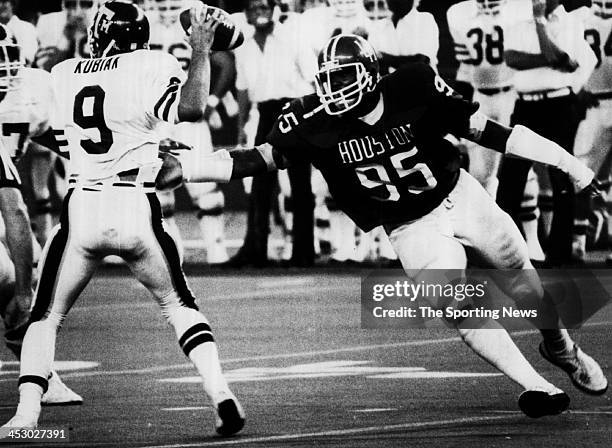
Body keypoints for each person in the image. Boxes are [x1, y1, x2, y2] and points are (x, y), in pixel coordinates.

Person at [157, 33, 608, 416]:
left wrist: (571, 165)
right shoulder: (312, 121)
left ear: (371, 74)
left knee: (523, 281)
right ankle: (535, 385)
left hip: (460, 194)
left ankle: (562, 348)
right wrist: (190, 168)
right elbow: (259, 158)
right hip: (409, 225)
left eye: (344, 78)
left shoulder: (412, 85)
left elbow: (495, 134)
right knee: (454, 303)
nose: (334, 91)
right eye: (327, 81)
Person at [2, 1, 244, 434]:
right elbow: (190, 108)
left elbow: (60, 137)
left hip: (83, 209)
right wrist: (202, 49)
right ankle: (220, 390)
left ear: (103, 33)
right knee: (179, 305)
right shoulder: (153, 63)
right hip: (136, 205)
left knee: (45, 317)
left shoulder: (64, 73)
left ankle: (26, 416)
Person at [0, 23, 82, 406]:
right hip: (5, 199)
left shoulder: (32, 88)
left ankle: (41, 377)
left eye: (6, 57)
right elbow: (14, 211)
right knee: (11, 281)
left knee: (12, 279)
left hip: (4, 196)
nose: (3, 68)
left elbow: (63, 137)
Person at [497, 0, 596, 266]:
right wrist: (551, 58)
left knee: (561, 178)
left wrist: (541, 24)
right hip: (526, 104)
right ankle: (505, 252)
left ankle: (560, 254)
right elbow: (512, 59)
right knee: (510, 178)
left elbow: (570, 61)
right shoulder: (518, 19)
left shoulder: (570, 23)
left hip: (557, 104)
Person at [228, 0, 315, 267]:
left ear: (273, 8)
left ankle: (303, 253)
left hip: (294, 111)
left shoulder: (292, 36)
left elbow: (313, 78)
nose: (260, 12)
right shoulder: (243, 46)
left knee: (300, 186)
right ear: (246, 14)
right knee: (259, 184)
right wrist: (242, 127)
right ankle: (256, 250)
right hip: (264, 113)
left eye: (264, 6)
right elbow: (242, 89)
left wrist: (313, 120)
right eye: (254, 8)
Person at [147, 0, 232, 264]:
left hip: (186, 114)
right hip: (158, 117)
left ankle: (216, 249)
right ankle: (173, 254)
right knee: (159, 191)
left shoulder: (191, 20)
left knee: (205, 187)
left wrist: (213, 100)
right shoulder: (144, 25)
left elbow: (225, 61)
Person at [572, 0, 612, 262]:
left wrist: (576, 89)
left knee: (582, 173)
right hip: (596, 101)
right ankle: (581, 238)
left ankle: (578, 241)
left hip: (594, 103)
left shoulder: (577, 18)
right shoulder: (576, 18)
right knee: (587, 173)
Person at [369, 0, 439, 72]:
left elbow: (421, 62)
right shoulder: (378, 26)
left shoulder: (425, 20)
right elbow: (371, 63)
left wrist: (383, 57)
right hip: (388, 82)